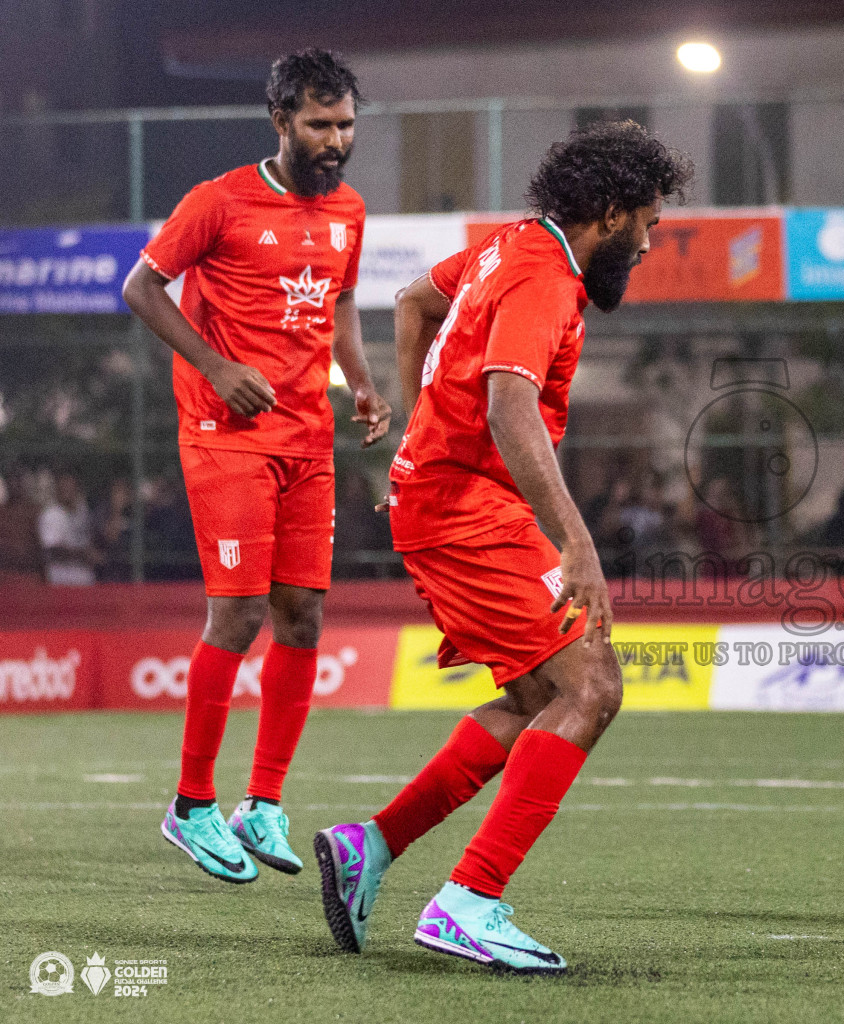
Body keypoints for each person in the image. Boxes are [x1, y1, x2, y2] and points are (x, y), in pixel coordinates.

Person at [314, 121, 691, 974]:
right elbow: (508, 410)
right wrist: (576, 538)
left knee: (537, 699)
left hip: (453, 498)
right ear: (608, 211)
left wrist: (419, 434)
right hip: (469, 511)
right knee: (593, 686)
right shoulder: (544, 279)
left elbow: (413, 301)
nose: (652, 234)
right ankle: (469, 900)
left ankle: (368, 847)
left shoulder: (510, 246)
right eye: (647, 216)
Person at [122, 49, 389, 884]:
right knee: (235, 619)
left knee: (303, 618)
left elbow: (339, 302)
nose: (336, 140)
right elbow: (141, 287)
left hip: (307, 439)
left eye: (345, 124)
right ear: (281, 121)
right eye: (319, 125)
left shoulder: (349, 209)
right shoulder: (219, 201)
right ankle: (192, 806)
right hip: (224, 433)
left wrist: (366, 383)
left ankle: (262, 801)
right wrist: (213, 366)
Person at [37, 472, 98, 585]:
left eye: (71, 488)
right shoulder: (51, 513)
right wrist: (83, 553)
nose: (67, 492)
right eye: (63, 488)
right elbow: (53, 549)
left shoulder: (82, 511)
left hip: (85, 579)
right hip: (62, 581)